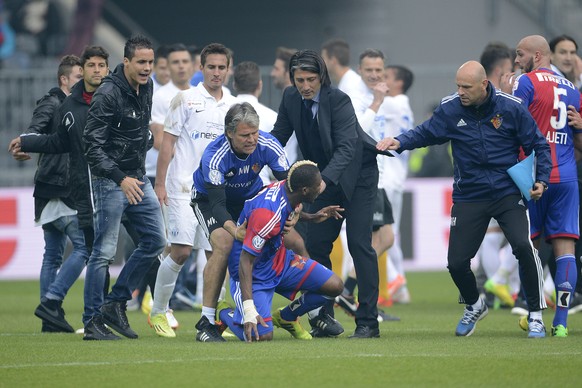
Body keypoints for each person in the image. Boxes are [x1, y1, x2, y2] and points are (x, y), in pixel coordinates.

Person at [377, 60, 551, 338]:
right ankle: (475, 305)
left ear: (484, 85)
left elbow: (538, 144)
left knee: (522, 246)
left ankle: (535, 315)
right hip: (470, 194)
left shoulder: (510, 107)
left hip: (507, 192)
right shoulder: (450, 108)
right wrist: (399, 141)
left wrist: (541, 179)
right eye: (458, 85)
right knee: (457, 263)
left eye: (466, 86)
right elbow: (426, 132)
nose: (460, 91)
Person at [271, 50, 390, 338]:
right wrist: (259, 161)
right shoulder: (290, 98)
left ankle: (367, 323)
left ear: (322, 77)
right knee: (318, 245)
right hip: (322, 177)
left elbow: (348, 148)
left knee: (359, 244)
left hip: (358, 176)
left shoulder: (338, 100)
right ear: (292, 79)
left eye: (311, 79)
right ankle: (322, 317)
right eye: (299, 79)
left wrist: (323, 182)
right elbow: (277, 138)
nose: (305, 85)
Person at [190, 102, 305, 342]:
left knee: (294, 239)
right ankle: (207, 321)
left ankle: (306, 311)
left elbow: (290, 186)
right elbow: (218, 205)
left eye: (255, 133)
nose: (252, 140)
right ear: (229, 133)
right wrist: (235, 230)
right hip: (209, 200)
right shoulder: (214, 155)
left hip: (249, 199)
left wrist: (293, 213)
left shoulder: (268, 143)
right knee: (223, 243)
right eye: (245, 135)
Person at [149, 42, 237, 338]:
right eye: (210, 67)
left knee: (219, 252)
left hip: (215, 193)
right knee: (182, 252)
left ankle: (212, 318)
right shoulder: (185, 99)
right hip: (182, 187)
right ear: (201, 69)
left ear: (228, 69)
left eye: (221, 67)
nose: (215, 72)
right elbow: (167, 143)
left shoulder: (233, 106)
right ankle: (159, 310)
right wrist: (160, 183)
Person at [82, 35, 166, 340]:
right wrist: (120, 177)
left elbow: (138, 128)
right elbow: (92, 145)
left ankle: (115, 302)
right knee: (103, 253)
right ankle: (92, 321)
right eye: (141, 62)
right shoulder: (108, 93)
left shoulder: (148, 86)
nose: (147, 68)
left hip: (137, 178)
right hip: (111, 181)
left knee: (156, 240)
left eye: (150, 62)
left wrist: (143, 142)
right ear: (126, 62)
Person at [217, 161, 344, 342]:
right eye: (318, 186)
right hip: (254, 274)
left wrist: (313, 217)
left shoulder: (289, 188)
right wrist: (249, 309)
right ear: (305, 190)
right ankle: (223, 311)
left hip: (279, 261)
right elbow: (245, 261)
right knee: (262, 336)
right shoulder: (266, 215)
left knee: (335, 286)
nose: (321, 188)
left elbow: (288, 211)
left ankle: (286, 316)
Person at [511, 35, 582, 337]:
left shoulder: (525, 82)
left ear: (537, 55)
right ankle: (562, 322)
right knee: (566, 248)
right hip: (566, 175)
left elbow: (513, 124)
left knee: (529, 247)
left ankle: (534, 316)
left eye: (520, 54)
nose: (516, 60)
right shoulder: (572, 89)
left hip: (533, 175)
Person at [8, 54, 84, 333]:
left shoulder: (76, 104)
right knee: (84, 247)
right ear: (64, 80)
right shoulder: (52, 102)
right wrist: (24, 144)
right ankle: (52, 302)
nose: (83, 81)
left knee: (52, 254)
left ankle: (49, 319)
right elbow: (35, 130)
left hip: (55, 186)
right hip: (57, 187)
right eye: (78, 76)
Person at [233, 60, 298, 184]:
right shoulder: (273, 117)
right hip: (261, 187)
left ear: (234, 84)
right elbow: (283, 158)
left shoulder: (222, 112)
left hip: (227, 185)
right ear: (260, 85)